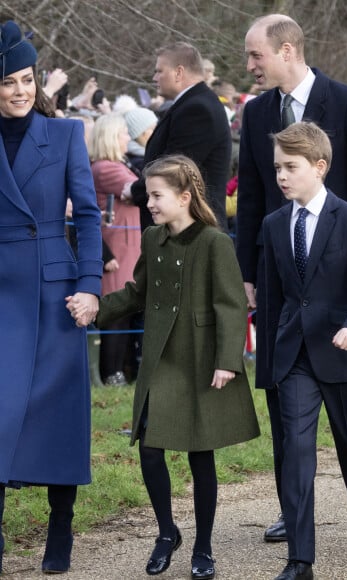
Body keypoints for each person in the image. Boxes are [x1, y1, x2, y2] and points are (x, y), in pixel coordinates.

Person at [238, 14, 347, 542]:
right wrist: (247, 275)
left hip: (346, 286)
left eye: (256, 55)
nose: (249, 66)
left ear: (286, 50)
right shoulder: (256, 111)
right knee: (289, 418)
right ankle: (293, 513)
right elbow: (256, 200)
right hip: (283, 284)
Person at [72, 155, 259, 579]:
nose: (149, 202)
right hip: (161, 357)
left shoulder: (215, 242)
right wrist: (97, 306)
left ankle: (205, 546)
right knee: (150, 449)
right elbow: (138, 292)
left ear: (184, 197)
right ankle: (166, 532)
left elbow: (231, 305)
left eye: (156, 195)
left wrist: (228, 361)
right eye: (148, 194)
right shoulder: (153, 238)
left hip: (200, 358)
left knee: (200, 453)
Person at [263, 122, 347, 580]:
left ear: (319, 167)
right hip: (295, 355)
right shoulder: (274, 223)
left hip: (345, 353)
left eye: (290, 167)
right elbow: (275, 300)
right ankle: (300, 559)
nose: (281, 175)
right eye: (277, 167)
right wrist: (268, 365)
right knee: (296, 451)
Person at [0, 20, 102, 574]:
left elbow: (87, 216)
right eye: (7, 82)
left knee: (60, 416)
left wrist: (90, 287)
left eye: (26, 78)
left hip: (55, 292)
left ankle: (59, 530)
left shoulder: (65, 135)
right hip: (0, 292)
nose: (19, 90)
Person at [124, 42, 231, 231]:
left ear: (178, 72)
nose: (154, 77)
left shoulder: (197, 109)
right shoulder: (191, 104)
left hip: (190, 231)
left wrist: (135, 190)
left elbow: (175, 170)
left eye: (159, 71)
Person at [88, 113, 140, 386]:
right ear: (110, 137)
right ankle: (112, 373)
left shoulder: (116, 165)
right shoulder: (106, 169)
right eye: (123, 134)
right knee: (116, 314)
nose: (128, 139)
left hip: (127, 250)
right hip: (116, 251)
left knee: (125, 312)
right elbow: (136, 191)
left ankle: (123, 370)